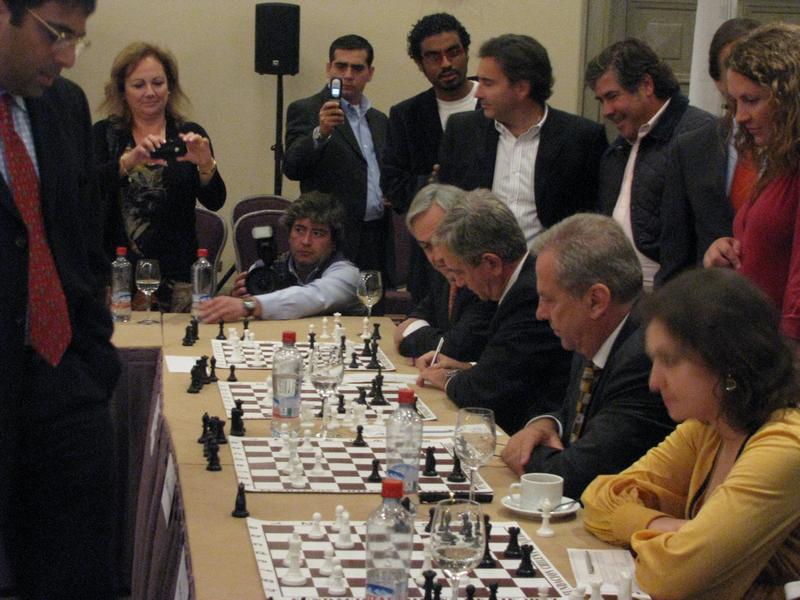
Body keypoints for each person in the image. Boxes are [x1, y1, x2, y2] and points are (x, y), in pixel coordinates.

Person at [0, 1, 121, 597]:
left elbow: (80, 240)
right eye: (56, 34)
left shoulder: (63, 105)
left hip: (63, 380)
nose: (68, 56)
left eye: (77, 38)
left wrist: (92, 360)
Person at [582, 268, 800, 599]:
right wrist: (665, 529)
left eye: (669, 361)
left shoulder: (784, 448)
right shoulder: (710, 426)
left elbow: (672, 579)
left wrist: (670, 545)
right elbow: (599, 497)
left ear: (727, 359)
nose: (654, 382)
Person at [502, 214, 674, 500]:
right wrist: (545, 425)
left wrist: (523, 451)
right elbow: (576, 417)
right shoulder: (594, 333)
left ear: (596, 301)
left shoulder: (644, 357)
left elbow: (574, 477)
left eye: (549, 299)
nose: (540, 313)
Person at [416, 189, 571, 435]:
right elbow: (510, 369)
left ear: (492, 263)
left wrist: (446, 379)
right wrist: (464, 367)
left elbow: (485, 391)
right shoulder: (519, 283)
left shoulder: (528, 296)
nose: (459, 283)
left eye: (460, 272)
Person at [438, 33, 607, 248]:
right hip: (478, 262)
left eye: (488, 83)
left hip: (549, 263)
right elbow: (448, 207)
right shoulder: (462, 131)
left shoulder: (582, 138)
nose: (477, 93)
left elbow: (592, 220)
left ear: (521, 88)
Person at [93, 42, 226, 311]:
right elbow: (88, 189)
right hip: (118, 274)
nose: (150, 92)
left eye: (157, 83)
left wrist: (205, 164)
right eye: (138, 85)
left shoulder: (188, 133)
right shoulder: (105, 134)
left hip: (178, 278)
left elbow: (215, 201)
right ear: (122, 90)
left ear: (170, 86)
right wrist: (129, 161)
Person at [586, 38, 714, 290]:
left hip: (673, 296)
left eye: (612, 96)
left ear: (646, 85)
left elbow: (707, 235)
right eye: (601, 101)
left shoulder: (699, 134)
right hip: (619, 292)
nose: (606, 111)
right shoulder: (618, 149)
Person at [704, 23, 800, 343]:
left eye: (752, 100)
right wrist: (725, 250)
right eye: (735, 103)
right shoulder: (779, 161)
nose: (741, 117)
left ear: (789, 99)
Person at [381, 13, 479, 301]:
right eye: (434, 57)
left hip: (486, 251)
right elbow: (393, 185)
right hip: (431, 258)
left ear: (466, 52)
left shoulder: (492, 101)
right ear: (419, 63)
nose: (446, 63)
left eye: (453, 52)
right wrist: (433, 184)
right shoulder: (406, 115)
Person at [656, 17, 760, 287]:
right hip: (711, 301)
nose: (745, 74)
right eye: (735, 64)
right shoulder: (691, 149)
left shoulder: (791, 148)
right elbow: (675, 256)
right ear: (717, 80)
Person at [283, 34, 391, 285]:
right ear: (328, 68)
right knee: (329, 304)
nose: (348, 75)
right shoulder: (307, 109)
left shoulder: (379, 120)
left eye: (357, 68)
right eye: (341, 66)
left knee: (372, 303)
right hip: (331, 236)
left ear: (370, 73)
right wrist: (320, 133)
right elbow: (292, 167)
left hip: (375, 235)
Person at [199, 191, 361, 322]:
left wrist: (248, 305)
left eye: (318, 233)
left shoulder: (347, 274)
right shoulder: (264, 269)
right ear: (289, 235)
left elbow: (313, 297)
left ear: (334, 242)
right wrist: (238, 297)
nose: (306, 241)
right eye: (299, 230)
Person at [393, 184, 495, 362]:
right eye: (427, 246)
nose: (437, 257)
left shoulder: (484, 275)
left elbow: (457, 349)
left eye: (441, 240)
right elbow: (414, 320)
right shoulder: (442, 275)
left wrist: (416, 336)